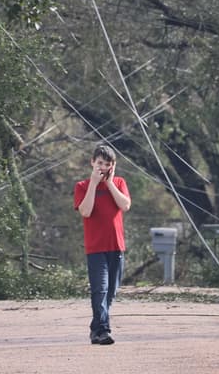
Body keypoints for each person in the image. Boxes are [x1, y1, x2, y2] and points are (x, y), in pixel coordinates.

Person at [74, 144, 131, 345]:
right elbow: (85, 211)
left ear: (113, 166)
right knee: (100, 289)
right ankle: (104, 330)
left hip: (116, 246)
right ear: (92, 162)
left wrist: (109, 184)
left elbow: (125, 205)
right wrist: (93, 184)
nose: (103, 167)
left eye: (107, 164)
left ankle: (95, 329)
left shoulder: (119, 182)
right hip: (96, 248)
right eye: (100, 163)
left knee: (111, 292)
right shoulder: (82, 186)